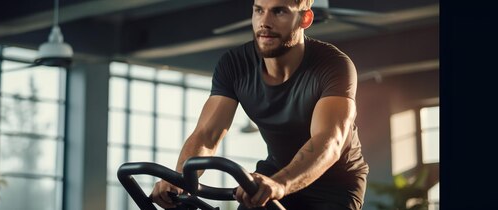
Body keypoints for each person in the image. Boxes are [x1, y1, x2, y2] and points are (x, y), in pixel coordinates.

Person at [150, 0, 369, 209]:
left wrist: (281, 184)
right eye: (258, 10)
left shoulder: (334, 65)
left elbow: (328, 142)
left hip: (335, 183)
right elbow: (207, 134)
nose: (265, 21)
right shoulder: (234, 65)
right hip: (276, 170)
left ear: (305, 18)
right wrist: (179, 179)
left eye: (279, 11)